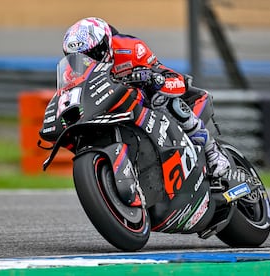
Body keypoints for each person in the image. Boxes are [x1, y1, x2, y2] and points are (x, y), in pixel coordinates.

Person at [62, 17, 230, 177]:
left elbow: (170, 77)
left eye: (92, 54)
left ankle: (212, 151)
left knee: (164, 99)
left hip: (144, 101)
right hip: (110, 109)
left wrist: (151, 77)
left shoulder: (130, 48)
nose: (86, 62)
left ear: (105, 45)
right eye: (78, 58)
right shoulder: (71, 73)